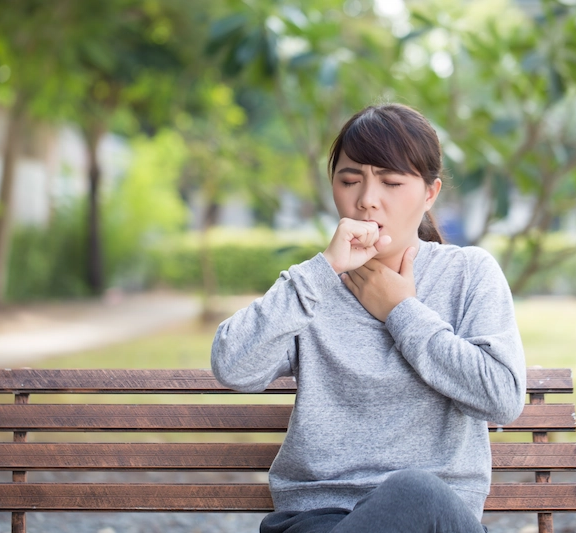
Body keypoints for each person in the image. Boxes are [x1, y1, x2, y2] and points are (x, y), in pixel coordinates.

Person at [211, 103, 526, 533]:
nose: (366, 200)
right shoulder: (314, 287)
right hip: (318, 520)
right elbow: (232, 365)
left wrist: (402, 312)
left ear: (430, 193)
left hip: (435, 521)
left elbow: (502, 397)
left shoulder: (468, 273)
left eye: (392, 182)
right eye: (349, 179)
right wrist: (322, 270)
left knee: (416, 493)